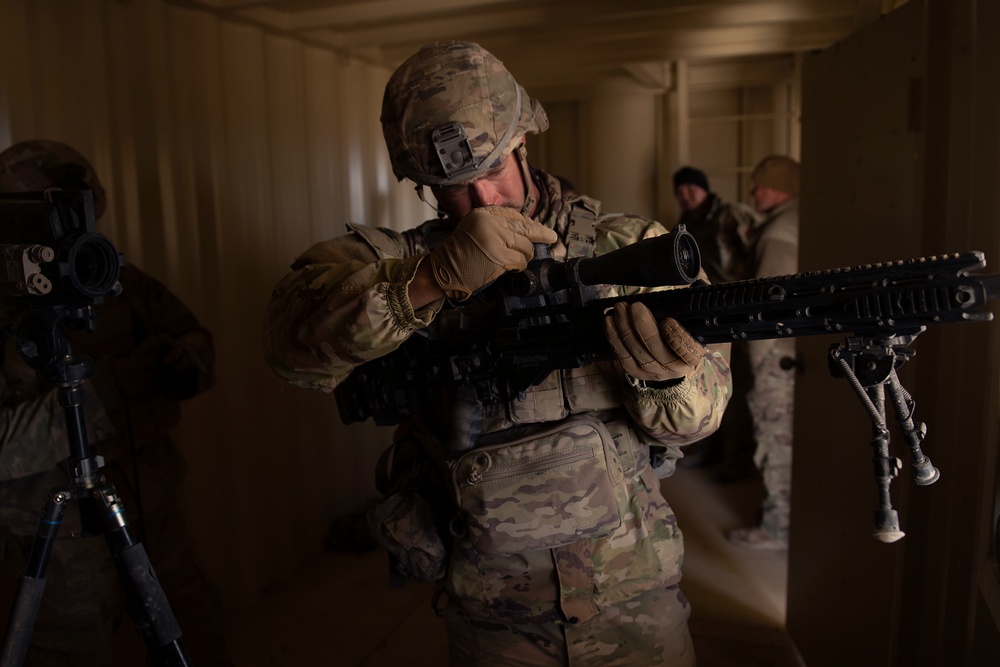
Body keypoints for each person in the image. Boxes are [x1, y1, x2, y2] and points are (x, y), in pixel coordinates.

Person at [263, 41, 731, 666]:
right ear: (424, 186)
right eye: (453, 187)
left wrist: (669, 380)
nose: (482, 202)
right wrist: (430, 282)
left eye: (490, 171)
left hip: (634, 606)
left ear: (522, 145)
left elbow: (701, 420)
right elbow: (291, 347)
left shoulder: (633, 249)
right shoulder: (401, 264)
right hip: (495, 623)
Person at [0, 140, 233, 665]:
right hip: (55, 545)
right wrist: (105, 391)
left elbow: (197, 340)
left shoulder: (105, 278)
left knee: (191, 629)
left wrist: (180, 362)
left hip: (148, 513)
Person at [726, 154, 800, 550]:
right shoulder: (792, 222)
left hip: (776, 356)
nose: (754, 191)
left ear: (780, 189)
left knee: (775, 439)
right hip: (792, 353)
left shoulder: (778, 233)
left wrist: (757, 362)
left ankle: (777, 528)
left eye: (762, 184)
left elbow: (768, 307)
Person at [671, 166, 758, 480]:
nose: (685, 194)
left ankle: (738, 462)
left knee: (739, 393)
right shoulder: (683, 227)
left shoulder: (732, 216)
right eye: (680, 190)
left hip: (740, 313)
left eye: (691, 188)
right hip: (705, 317)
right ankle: (710, 452)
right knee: (707, 388)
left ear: (705, 189)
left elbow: (759, 256)